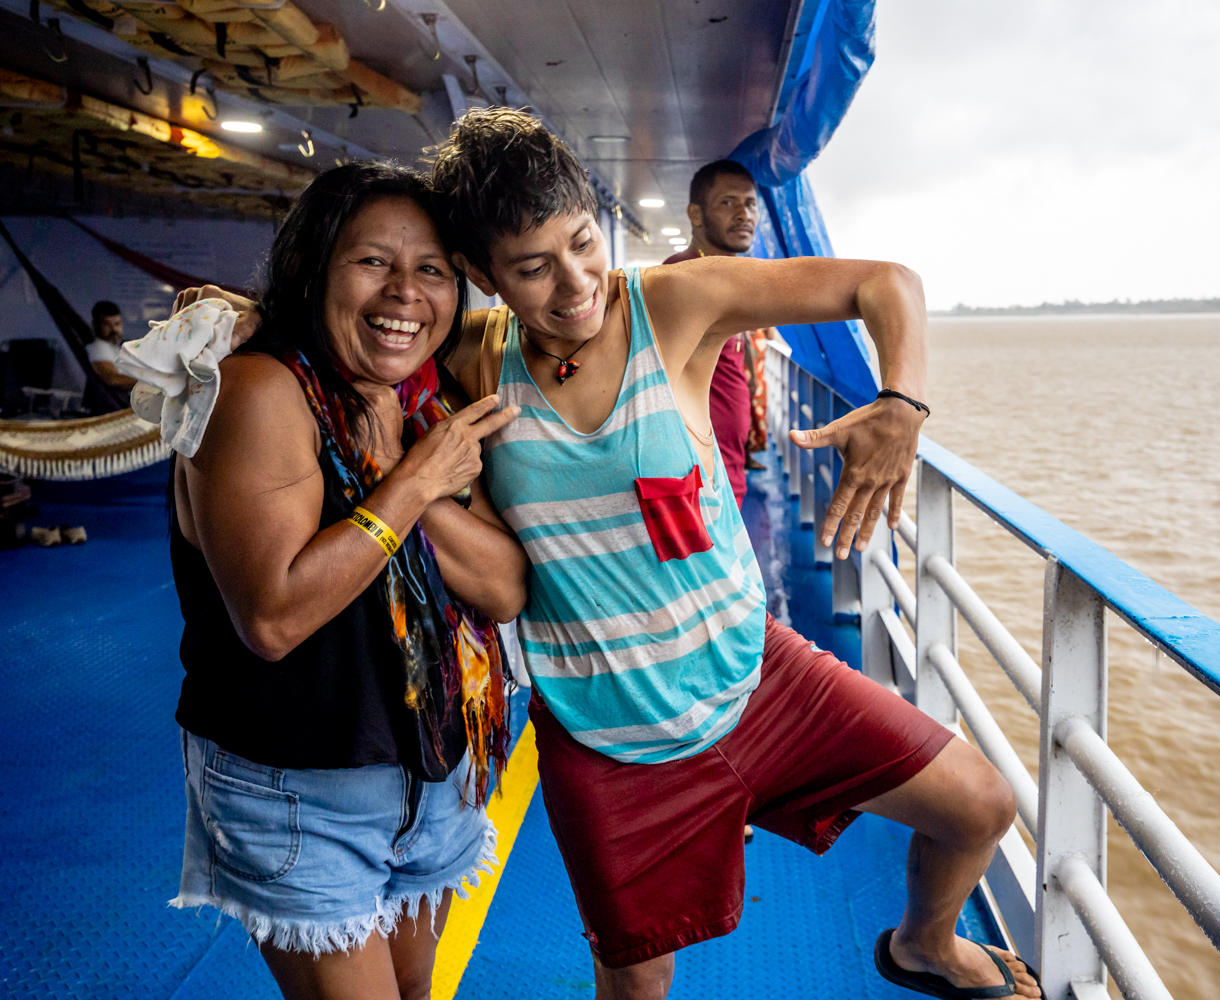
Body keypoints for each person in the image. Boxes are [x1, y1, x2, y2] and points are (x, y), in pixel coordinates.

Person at [431, 108, 1041, 1000]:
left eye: (582, 244)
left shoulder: (670, 303)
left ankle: (925, 945)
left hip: (757, 677)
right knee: (635, 987)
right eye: (532, 268)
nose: (575, 285)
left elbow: (887, 283)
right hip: (608, 740)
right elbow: (354, 322)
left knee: (982, 805)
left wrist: (901, 406)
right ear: (482, 275)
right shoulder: (481, 360)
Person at [167, 162, 527, 1000]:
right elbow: (274, 617)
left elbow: (504, 588)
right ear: (312, 269)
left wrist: (408, 471)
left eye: (431, 269)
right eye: (372, 262)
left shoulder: (422, 405)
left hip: (432, 780)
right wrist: (408, 485)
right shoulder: (260, 389)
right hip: (302, 795)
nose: (404, 293)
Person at [660, 160, 766, 505]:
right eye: (727, 202)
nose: (743, 214)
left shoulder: (730, 277)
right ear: (695, 213)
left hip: (726, 466)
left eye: (750, 203)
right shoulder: (682, 275)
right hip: (698, 475)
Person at [86, 300, 136, 392]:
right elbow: (112, 379)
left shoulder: (117, 347)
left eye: (117, 324)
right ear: (96, 325)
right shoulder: (99, 347)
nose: (114, 329)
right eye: (107, 324)